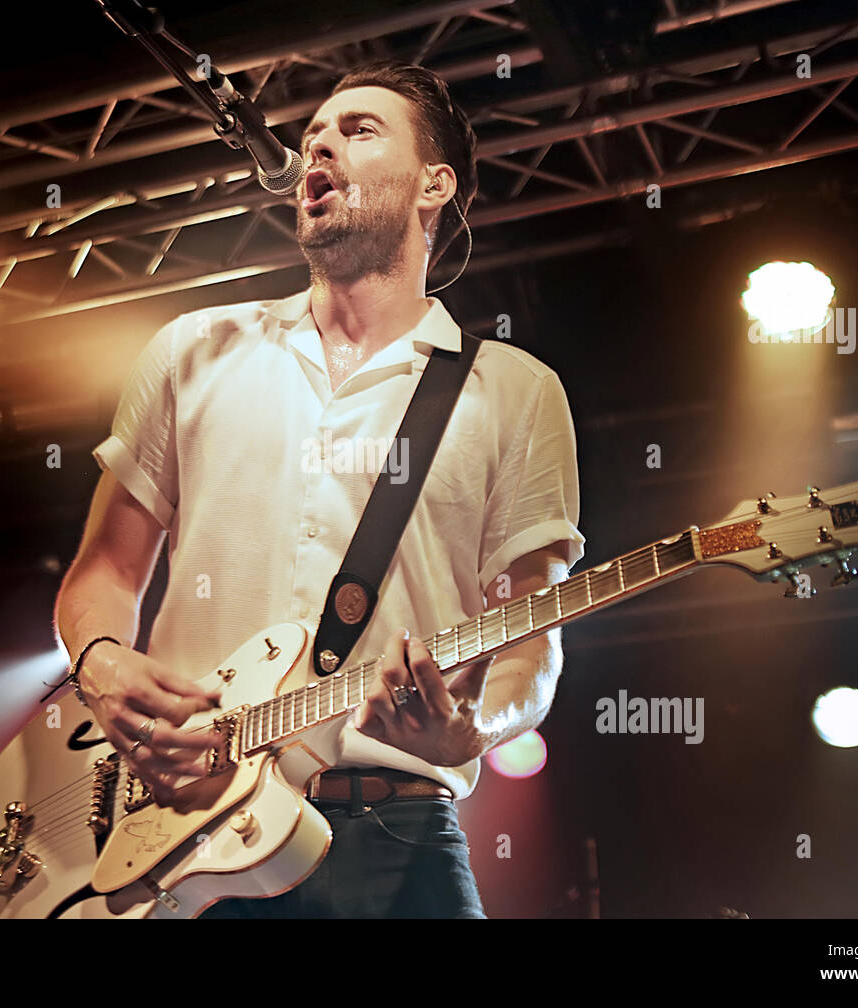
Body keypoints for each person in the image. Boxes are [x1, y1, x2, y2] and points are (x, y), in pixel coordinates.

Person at [53, 61, 586, 918]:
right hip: (185, 828)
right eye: (313, 136)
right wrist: (102, 665)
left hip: (396, 833)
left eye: (359, 129)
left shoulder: (515, 391)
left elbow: (533, 637)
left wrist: (472, 729)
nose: (320, 143)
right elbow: (104, 573)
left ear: (433, 184)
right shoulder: (193, 350)